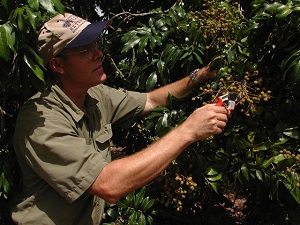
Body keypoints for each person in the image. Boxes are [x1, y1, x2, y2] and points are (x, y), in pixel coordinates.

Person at [10, 13, 229, 225]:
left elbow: (151, 100)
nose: (98, 54)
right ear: (58, 65)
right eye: (85, 50)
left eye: (96, 45)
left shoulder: (95, 95)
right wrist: (188, 131)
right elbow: (109, 185)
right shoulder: (40, 120)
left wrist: (200, 75)